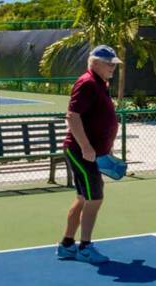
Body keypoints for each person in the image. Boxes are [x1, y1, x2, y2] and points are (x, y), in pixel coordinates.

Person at [55, 45, 121, 263]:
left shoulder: (101, 84)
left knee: (84, 198)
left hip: (92, 153)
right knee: (95, 197)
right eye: (108, 63)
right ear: (95, 63)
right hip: (81, 152)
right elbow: (73, 116)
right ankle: (85, 247)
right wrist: (86, 147)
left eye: (114, 63)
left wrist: (105, 148)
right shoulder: (87, 83)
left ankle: (66, 245)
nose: (113, 67)